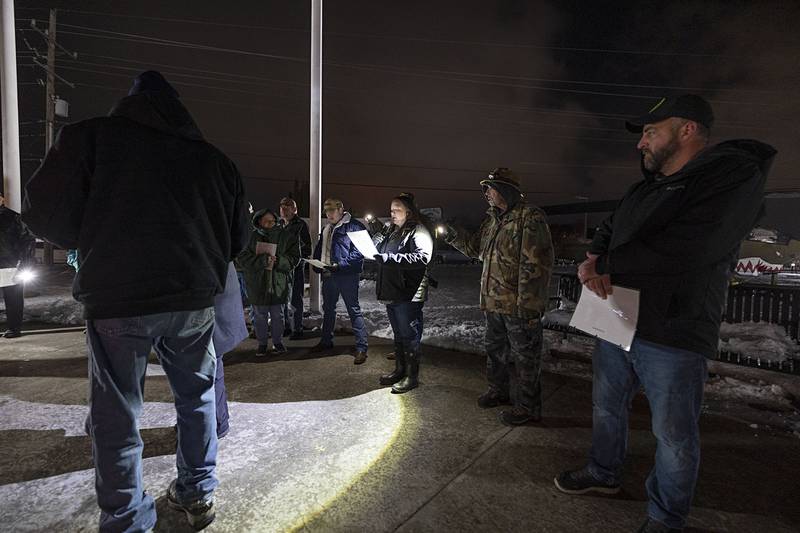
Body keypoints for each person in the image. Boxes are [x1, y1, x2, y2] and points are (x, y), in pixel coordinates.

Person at [22, 71, 249, 532]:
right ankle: (197, 491)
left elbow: (44, 215)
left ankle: (126, 517)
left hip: (117, 298)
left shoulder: (90, 139)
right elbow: (236, 239)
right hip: (190, 300)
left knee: (118, 413)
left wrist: (91, 237)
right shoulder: (214, 161)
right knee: (198, 399)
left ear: (129, 103)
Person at [554, 95, 776, 533]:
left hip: (674, 324)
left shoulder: (731, 178)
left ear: (687, 130)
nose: (641, 143)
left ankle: (665, 517)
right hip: (616, 313)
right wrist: (595, 255)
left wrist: (607, 265)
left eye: (651, 131)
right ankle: (603, 472)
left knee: (673, 433)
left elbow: (693, 245)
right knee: (605, 405)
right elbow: (611, 226)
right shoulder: (644, 189)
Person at [444, 168, 554, 426]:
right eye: (485, 189)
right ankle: (498, 391)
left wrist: (527, 305)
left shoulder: (530, 217)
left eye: (490, 188)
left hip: (518, 305)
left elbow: (537, 264)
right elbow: (475, 250)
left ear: (506, 190)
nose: (486, 194)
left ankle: (528, 407)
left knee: (526, 357)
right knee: (496, 351)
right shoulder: (492, 220)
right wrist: (451, 234)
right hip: (493, 302)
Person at [369, 193, 433, 393]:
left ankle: (411, 377)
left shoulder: (418, 231)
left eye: (397, 210)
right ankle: (399, 370)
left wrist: (389, 258)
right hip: (393, 290)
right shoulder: (392, 230)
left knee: (409, 335)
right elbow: (378, 249)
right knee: (398, 334)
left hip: (409, 293)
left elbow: (422, 257)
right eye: (390, 210)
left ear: (408, 212)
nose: (392, 214)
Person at [311, 198, 369, 363]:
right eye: (326, 211)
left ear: (341, 210)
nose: (329, 214)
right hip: (329, 275)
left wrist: (340, 266)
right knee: (328, 309)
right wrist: (316, 264)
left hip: (347, 276)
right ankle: (326, 341)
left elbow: (359, 253)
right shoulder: (327, 228)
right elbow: (320, 248)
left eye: (332, 210)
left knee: (353, 309)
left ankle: (361, 348)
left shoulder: (355, 226)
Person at [238, 208, 300, 355]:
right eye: (266, 221)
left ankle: (278, 342)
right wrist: (262, 260)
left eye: (272, 221)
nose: (269, 223)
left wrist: (280, 261)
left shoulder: (286, 236)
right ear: (259, 221)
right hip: (257, 283)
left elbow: (295, 257)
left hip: (278, 283)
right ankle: (262, 344)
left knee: (278, 315)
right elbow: (241, 258)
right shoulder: (250, 238)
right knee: (260, 315)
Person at [211, 261, 249, 439]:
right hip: (218, 306)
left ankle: (215, 422)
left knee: (207, 373)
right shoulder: (220, 238)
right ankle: (218, 421)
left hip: (209, 311)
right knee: (214, 371)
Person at [0, 195, 36, 338]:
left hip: (10, 264)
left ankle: (14, 328)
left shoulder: (12, 218)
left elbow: (27, 239)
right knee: (13, 297)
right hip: (10, 263)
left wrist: (24, 261)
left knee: (13, 297)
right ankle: (13, 328)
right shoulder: (13, 217)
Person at [278, 197, 312, 339]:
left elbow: (306, 248)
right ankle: (286, 326)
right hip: (280, 267)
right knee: (282, 298)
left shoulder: (300, 225)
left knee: (295, 298)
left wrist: (294, 259)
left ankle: (297, 328)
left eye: (288, 207)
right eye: (282, 207)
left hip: (296, 267)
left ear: (295, 209)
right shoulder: (279, 224)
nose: (284, 209)